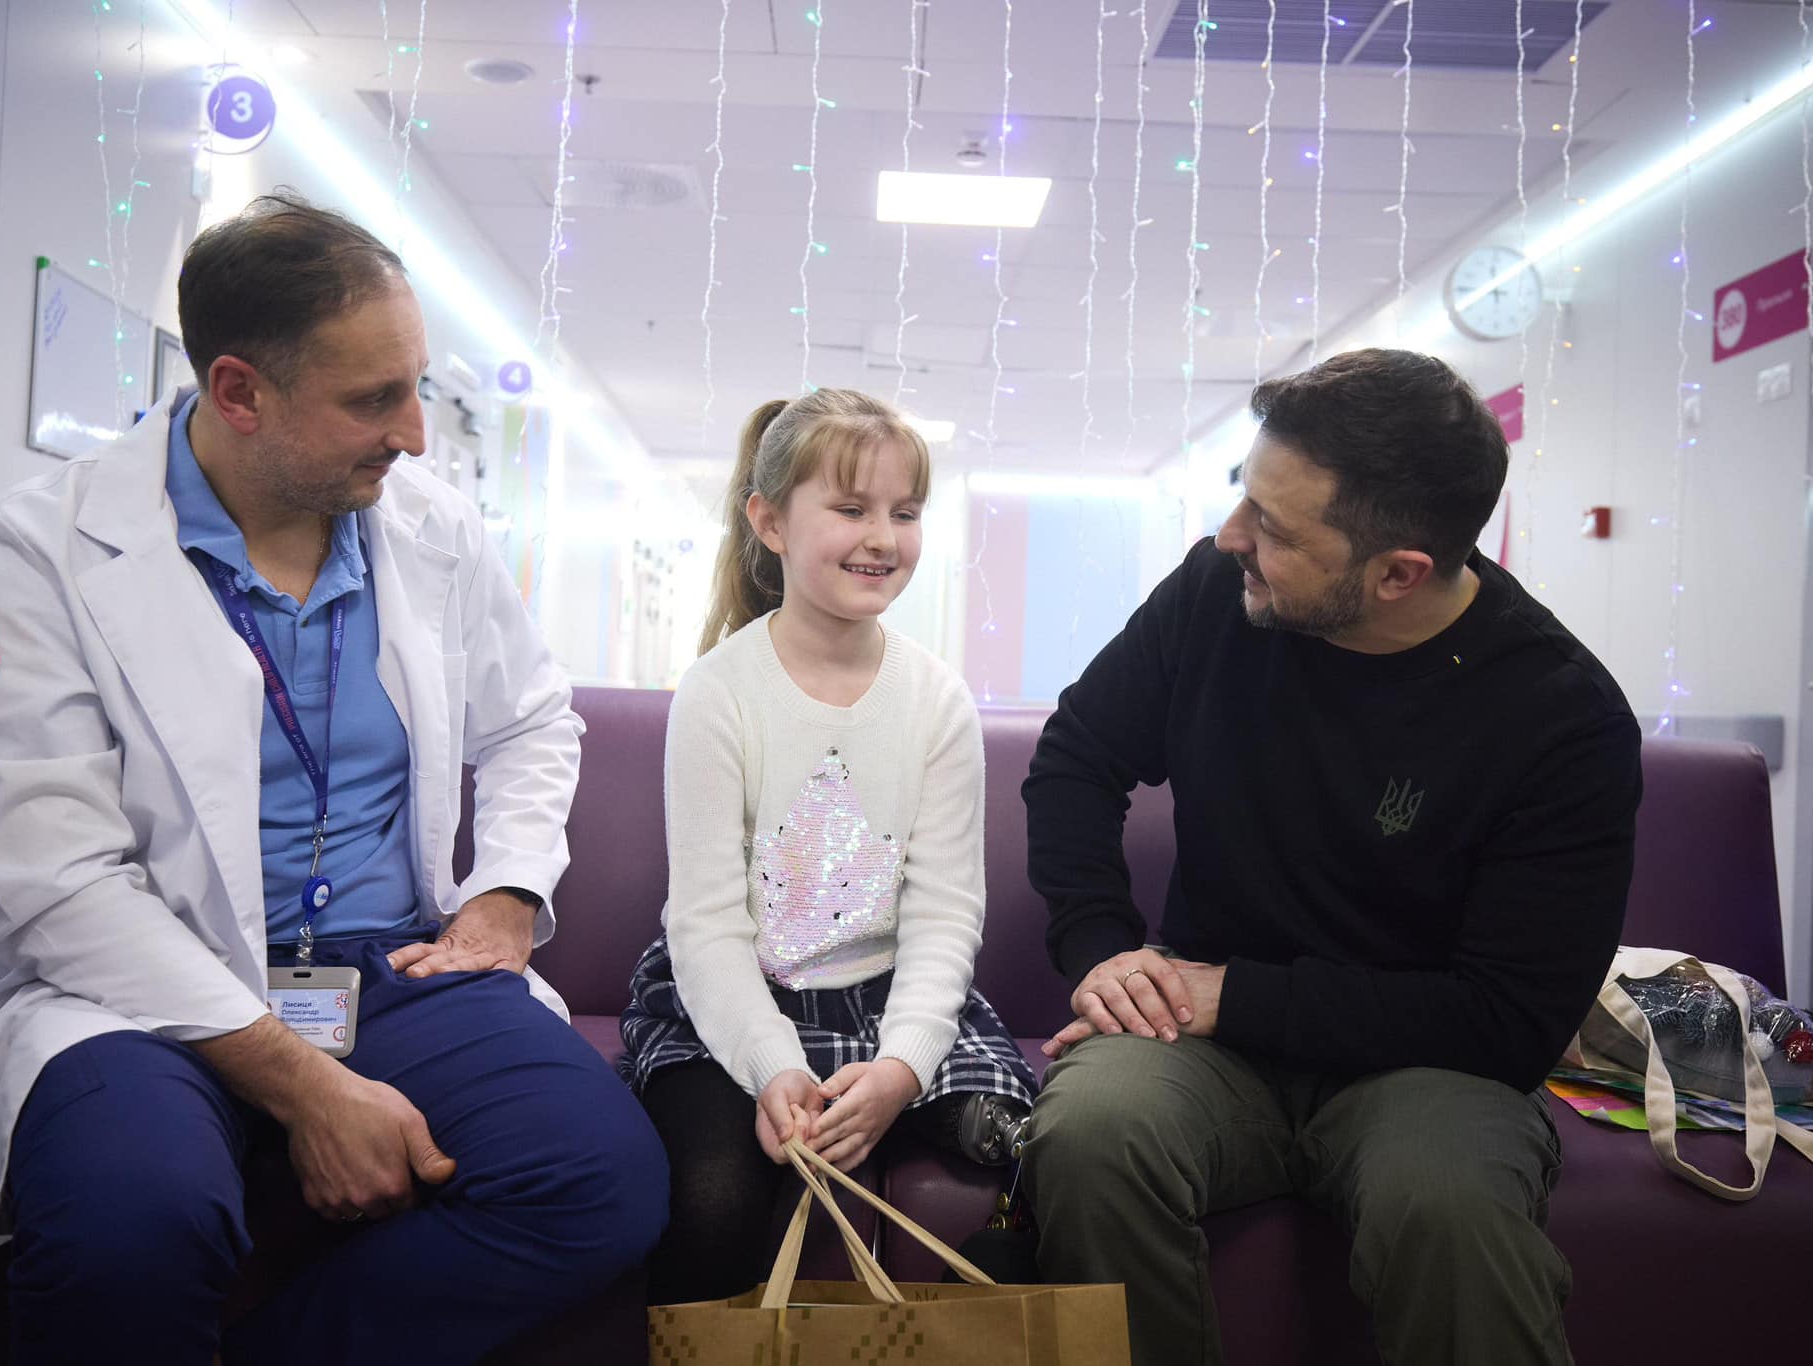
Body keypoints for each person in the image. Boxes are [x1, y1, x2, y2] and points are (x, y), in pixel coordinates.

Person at [0, 193, 667, 1365]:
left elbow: (529, 720)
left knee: (601, 1180)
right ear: (239, 390)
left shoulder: (431, 528)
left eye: (416, 385)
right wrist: (307, 1090)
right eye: (374, 398)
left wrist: (507, 890)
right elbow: (59, 881)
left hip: (388, 966)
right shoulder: (42, 547)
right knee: (132, 1225)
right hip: (132, 984)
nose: (416, 433)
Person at [1021, 349, 1642, 1365]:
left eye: (1273, 528)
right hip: (1202, 1045)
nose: (1231, 536)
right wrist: (1101, 947)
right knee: (1090, 1132)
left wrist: (1236, 996)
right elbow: (1076, 758)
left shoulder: (1559, 717)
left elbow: (1507, 1021)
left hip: (1427, 1067)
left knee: (1449, 1211)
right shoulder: (1213, 594)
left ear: (1396, 572)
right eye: (1243, 496)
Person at [618, 389, 1036, 1304]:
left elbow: (945, 913)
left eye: (905, 512)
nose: (882, 537)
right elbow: (706, 923)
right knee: (715, 1199)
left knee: (1022, 1145)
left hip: (889, 997)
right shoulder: (719, 692)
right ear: (769, 522)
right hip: (735, 997)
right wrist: (773, 1067)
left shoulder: (937, 700)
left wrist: (900, 1069)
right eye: (850, 509)